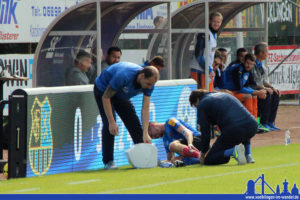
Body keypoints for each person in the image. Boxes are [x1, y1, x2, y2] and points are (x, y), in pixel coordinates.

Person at [94, 62, 159, 169]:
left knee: (134, 122)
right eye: (148, 84)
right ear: (142, 76)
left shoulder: (150, 85)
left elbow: (145, 108)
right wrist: (111, 122)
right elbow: (106, 97)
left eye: (152, 84)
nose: (149, 87)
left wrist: (146, 132)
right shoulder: (124, 75)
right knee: (110, 126)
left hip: (120, 95)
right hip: (103, 91)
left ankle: (145, 159)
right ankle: (108, 162)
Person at [189, 89, 257, 165]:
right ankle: (248, 155)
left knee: (209, 159)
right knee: (243, 126)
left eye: (195, 105)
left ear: (197, 99)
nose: (196, 107)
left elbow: (205, 132)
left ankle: (233, 151)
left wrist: (203, 153)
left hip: (234, 130)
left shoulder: (202, 104)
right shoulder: (224, 95)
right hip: (252, 125)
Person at [220, 53, 267, 120]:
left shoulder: (248, 70)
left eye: (251, 64)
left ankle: (255, 121)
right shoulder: (238, 69)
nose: (249, 66)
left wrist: (257, 92)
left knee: (254, 96)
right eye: (247, 63)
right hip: (226, 92)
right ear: (243, 61)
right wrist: (256, 92)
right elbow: (239, 87)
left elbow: (253, 85)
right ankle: (248, 122)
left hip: (235, 91)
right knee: (249, 96)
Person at [190, 12, 223, 90]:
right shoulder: (204, 33)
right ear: (209, 21)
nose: (216, 24)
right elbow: (198, 55)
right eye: (214, 21)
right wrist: (209, 69)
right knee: (201, 96)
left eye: (218, 22)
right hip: (199, 70)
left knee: (209, 95)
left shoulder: (213, 34)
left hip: (207, 71)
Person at [252, 42, 280, 131]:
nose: (268, 54)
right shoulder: (252, 64)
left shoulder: (262, 66)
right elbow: (254, 83)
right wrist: (265, 88)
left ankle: (270, 122)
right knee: (266, 95)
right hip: (253, 89)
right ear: (260, 53)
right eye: (266, 52)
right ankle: (263, 122)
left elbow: (264, 81)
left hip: (261, 88)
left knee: (275, 94)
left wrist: (272, 88)